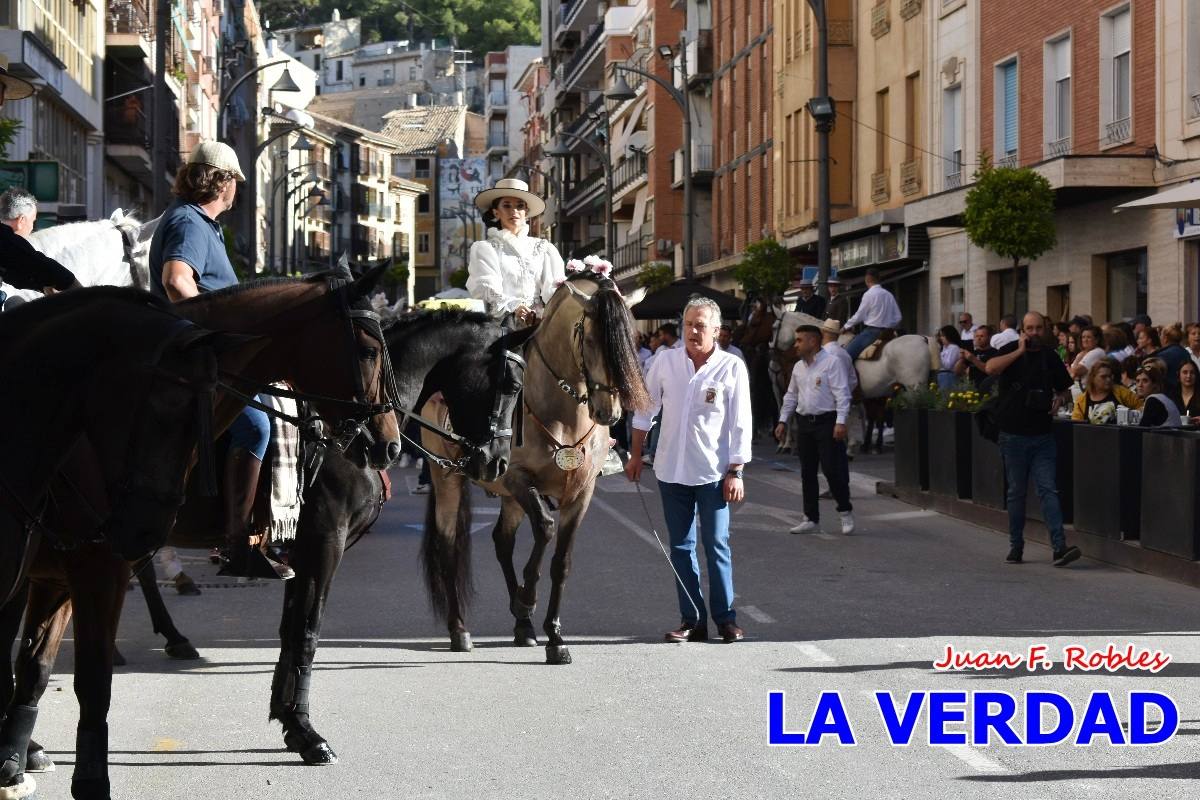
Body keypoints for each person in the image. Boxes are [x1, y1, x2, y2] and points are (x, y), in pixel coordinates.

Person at [149, 141, 289, 580]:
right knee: (257, 424)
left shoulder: (205, 226)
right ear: (222, 181)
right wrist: (213, 336)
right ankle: (237, 542)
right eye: (235, 183)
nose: (237, 192)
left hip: (205, 354)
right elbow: (177, 280)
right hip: (198, 359)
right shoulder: (190, 222)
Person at [625, 296, 751, 645]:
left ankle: (726, 620)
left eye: (700, 325)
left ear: (716, 330)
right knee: (680, 547)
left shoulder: (731, 367)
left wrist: (736, 470)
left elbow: (741, 422)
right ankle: (692, 620)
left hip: (713, 472)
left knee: (716, 545)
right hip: (669, 470)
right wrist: (636, 456)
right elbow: (644, 410)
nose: (693, 331)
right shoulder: (665, 361)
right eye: (688, 324)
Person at [985, 311, 1081, 567]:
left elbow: (1065, 389)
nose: (1035, 333)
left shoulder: (1050, 357)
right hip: (1013, 435)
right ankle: (1016, 546)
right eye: (1030, 328)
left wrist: (1059, 399)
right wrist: (1019, 352)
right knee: (1016, 492)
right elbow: (990, 368)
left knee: (1048, 489)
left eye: (1039, 328)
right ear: (1022, 329)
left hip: (1042, 435)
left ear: (1045, 329)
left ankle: (1059, 547)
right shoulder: (1009, 350)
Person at [775, 324, 855, 535]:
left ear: (813, 341)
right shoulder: (798, 367)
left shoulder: (832, 363)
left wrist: (840, 421)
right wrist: (783, 421)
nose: (796, 345)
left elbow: (843, 393)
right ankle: (810, 518)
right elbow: (791, 395)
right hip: (804, 423)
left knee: (831, 469)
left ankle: (845, 511)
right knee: (807, 472)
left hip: (827, 423)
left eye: (799, 340)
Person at [466, 178, 565, 325]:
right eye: (507, 206)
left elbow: (554, 290)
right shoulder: (485, 248)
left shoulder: (544, 248)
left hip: (540, 325)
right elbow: (486, 289)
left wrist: (543, 314)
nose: (514, 211)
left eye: (520, 206)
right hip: (501, 327)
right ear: (496, 212)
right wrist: (515, 307)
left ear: (526, 212)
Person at [0, 186, 80, 296]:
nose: (32, 228)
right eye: (33, 221)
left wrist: (41, 286)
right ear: (21, 220)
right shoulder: (7, 243)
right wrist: (73, 285)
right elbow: (33, 262)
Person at [841, 267, 902, 360]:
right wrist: (888, 326)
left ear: (867, 279)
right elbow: (898, 317)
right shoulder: (889, 294)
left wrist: (846, 326)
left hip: (872, 332)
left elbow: (859, 315)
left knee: (845, 356)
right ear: (878, 279)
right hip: (889, 333)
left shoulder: (869, 294)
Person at [1070, 358, 1140, 424]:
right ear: (1093, 378)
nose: (1108, 380)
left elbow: (1141, 407)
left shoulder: (1121, 392)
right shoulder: (1082, 400)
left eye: (1109, 376)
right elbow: (1075, 425)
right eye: (1103, 377)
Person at [1135, 358, 1183, 428]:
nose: (1140, 385)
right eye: (1137, 381)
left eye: (1145, 381)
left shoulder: (1153, 400)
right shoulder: (1161, 398)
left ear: (1155, 384)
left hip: (1168, 438)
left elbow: (1142, 429)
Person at [1154, 324, 1190, 392]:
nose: (1160, 338)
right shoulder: (1186, 353)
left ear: (1165, 338)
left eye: (1161, 335)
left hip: (1168, 394)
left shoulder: (1162, 355)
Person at [934, 325, 961, 391]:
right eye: (940, 336)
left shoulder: (954, 348)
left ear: (949, 336)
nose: (941, 338)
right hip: (940, 374)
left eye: (943, 336)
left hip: (948, 375)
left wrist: (938, 355)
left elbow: (948, 365)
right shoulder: (944, 348)